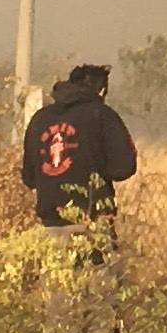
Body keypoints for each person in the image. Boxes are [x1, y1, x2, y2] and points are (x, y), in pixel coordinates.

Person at [21, 64, 138, 239]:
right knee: (99, 267)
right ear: (102, 91)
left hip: (49, 223)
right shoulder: (102, 115)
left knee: (55, 266)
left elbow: (29, 177)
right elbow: (124, 166)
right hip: (91, 219)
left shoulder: (40, 118)